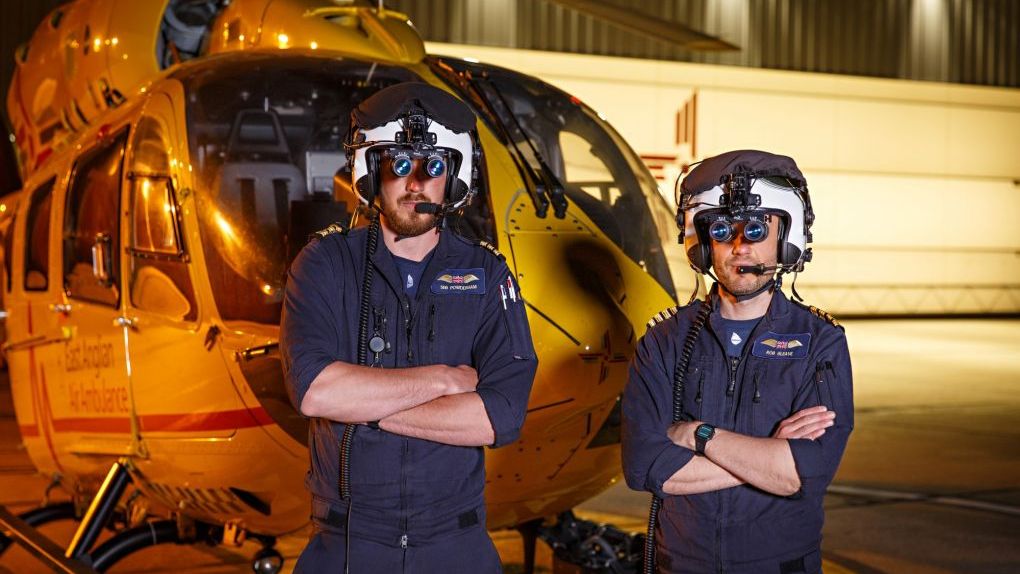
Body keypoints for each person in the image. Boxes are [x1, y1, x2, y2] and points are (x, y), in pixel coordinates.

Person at [281, 82, 538, 573]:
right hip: (348, 544)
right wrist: (443, 380)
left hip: (455, 545)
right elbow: (314, 391)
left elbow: (498, 417)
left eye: (433, 166)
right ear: (370, 172)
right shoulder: (325, 264)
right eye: (398, 164)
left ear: (454, 179)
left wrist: (364, 407)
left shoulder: (487, 275)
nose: (414, 182)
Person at [622, 150, 853, 574]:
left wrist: (697, 434)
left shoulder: (821, 342)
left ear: (786, 237)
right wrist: (766, 459)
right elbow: (644, 468)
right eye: (723, 231)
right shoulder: (664, 341)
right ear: (704, 243)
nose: (740, 247)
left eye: (757, 229)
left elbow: (802, 474)